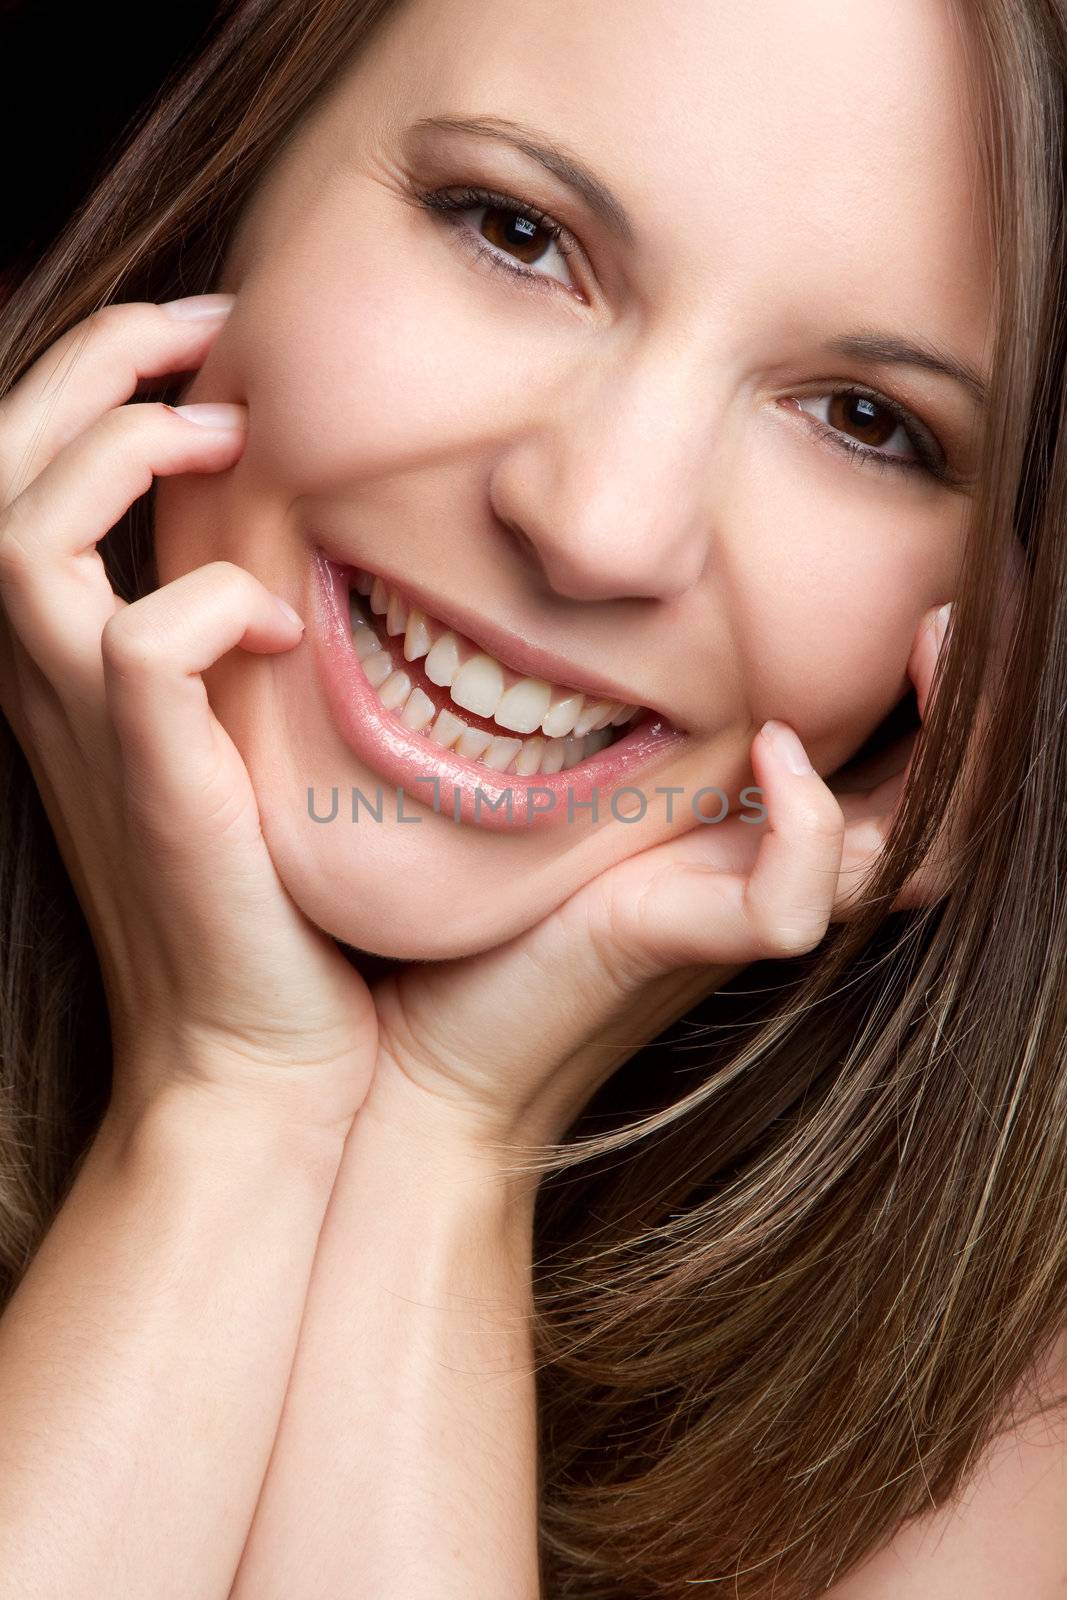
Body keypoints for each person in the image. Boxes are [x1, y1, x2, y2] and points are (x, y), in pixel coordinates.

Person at [0, 0, 1062, 1593]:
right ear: (232, 183)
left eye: (866, 421)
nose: (603, 524)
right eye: (515, 230)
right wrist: (228, 1109)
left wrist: (443, 1135)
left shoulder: (999, 1390)